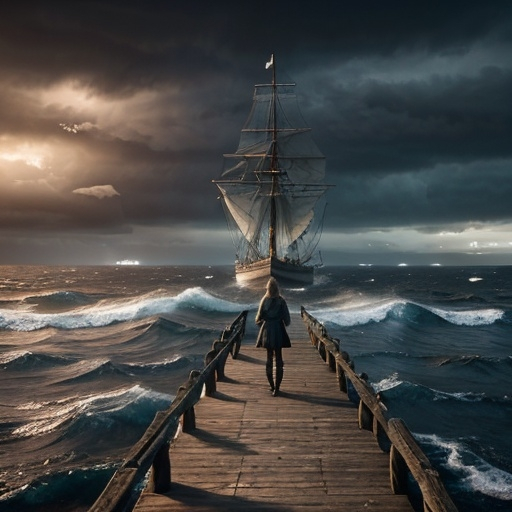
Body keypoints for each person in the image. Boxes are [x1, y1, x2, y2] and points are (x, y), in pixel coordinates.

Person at [255, 277, 291, 396]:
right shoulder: (281, 301)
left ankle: (271, 386)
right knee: (279, 360)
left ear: (268, 289)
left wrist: (264, 324)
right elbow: (287, 321)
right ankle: (277, 388)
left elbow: (258, 319)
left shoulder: (264, 300)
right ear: (277, 289)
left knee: (269, 359)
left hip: (267, 331)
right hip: (279, 330)